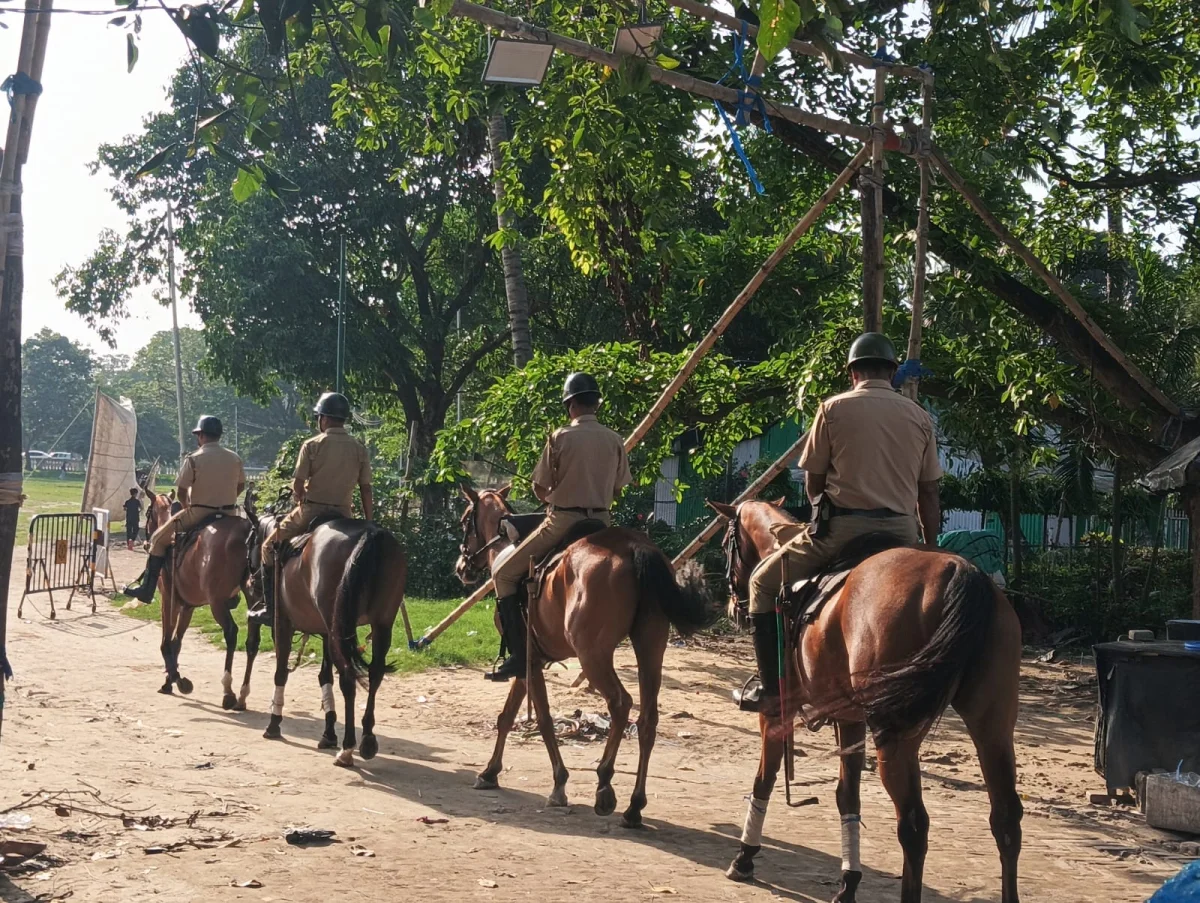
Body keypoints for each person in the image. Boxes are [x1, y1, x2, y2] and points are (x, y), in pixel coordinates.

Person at [735, 333, 943, 712]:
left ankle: (772, 691)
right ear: (893, 371)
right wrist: (930, 546)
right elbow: (928, 494)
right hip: (902, 534)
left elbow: (813, 480)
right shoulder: (920, 417)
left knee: (761, 582)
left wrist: (820, 511)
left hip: (844, 531)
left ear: (852, 373)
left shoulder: (832, 409)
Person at [486, 372, 632, 682]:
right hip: (602, 523)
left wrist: (556, 495)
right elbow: (619, 489)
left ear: (571, 405)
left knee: (504, 573)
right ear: (596, 403)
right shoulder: (615, 439)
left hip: (563, 520)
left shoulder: (560, 437)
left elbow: (540, 490)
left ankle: (518, 654)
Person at [248, 392, 372, 625]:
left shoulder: (312, 445)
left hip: (312, 511)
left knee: (267, 547)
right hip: (344, 514)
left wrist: (300, 497)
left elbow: (297, 484)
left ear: (323, 419)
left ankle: (269, 607)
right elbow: (366, 489)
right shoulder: (359, 448)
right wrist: (369, 521)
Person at [124, 416, 246, 604]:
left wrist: (187, 506)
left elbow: (181, 491)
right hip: (230, 514)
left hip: (199, 512)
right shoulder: (234, 458)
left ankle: (146, 590)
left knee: (157, 539)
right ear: (219, 435)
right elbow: (240, 486)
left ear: (201, 436)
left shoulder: (194, 459)